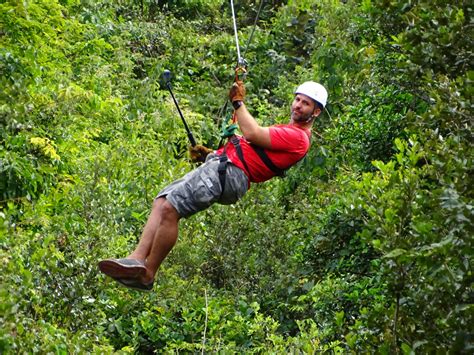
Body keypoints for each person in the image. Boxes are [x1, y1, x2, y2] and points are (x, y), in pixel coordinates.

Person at [98, 80, 328, 291]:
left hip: (231, 174)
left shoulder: (298, 138)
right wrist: (209, 155)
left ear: (315, 112)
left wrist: (238, 102)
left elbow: (253, 133)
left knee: (171, 208)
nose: (298, 105)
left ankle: (148, 274)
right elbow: (253, 152)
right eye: (297, 99)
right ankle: (136, 258)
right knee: (162, 199)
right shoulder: (287, 130)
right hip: (223, 166)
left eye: (305, 103)